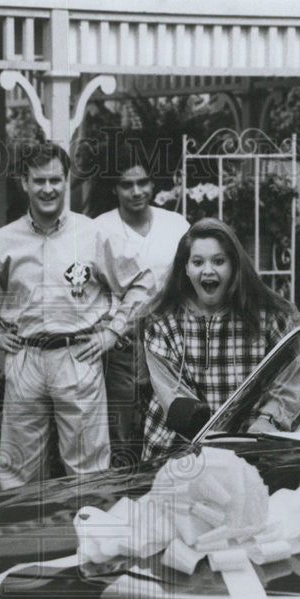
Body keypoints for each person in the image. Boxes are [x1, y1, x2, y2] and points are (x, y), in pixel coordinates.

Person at [0, 141, 153, 490]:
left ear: (66, 181)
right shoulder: (4, 240)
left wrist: (112, 332)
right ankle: (24, 541)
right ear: (24, 183)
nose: (47, 189)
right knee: (18, 470)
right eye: (38, 181)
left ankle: (88, 542)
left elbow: (141, 283)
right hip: (25, 356)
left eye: (55, 179)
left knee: (89, 469)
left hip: (78, 354)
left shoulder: (93, 235)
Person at [142, 217, 300, 461]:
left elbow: (292, 378)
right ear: (185, 268)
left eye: (218, 261)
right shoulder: (163, 321)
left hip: (251, 445)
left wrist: (267, 419)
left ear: (235, 267)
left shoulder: (270, 318)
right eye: (197, 262)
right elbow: (175, 398)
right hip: (177, 449)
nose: (208, 270)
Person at [94, 150, 190, 457]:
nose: (136, 192)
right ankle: (120, 495)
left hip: (171, 339)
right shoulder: (98, 228)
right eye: (126, 185)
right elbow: (81, 284)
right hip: (122, 343)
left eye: (143, 182)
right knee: (120, 428)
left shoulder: (175, 224)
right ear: (114, 188)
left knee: (171, 420)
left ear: (153, 183)